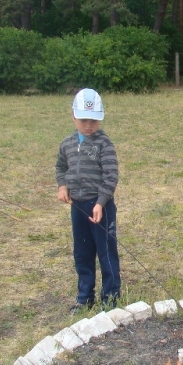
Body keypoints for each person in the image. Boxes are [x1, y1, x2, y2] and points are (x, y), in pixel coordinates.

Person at [56, 88, 121, 312]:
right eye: (84, 119)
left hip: (100, 207)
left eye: (94, 120)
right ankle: (85, 297)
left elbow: (111, 175)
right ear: (73, 116)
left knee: (106, 252)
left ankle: (111, 298)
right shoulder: (66, 144)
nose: (89, 125)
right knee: (82, 253)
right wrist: (62, 186)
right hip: (78, 207)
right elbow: (61, 167)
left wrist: (101, 202)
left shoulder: (104, 144)